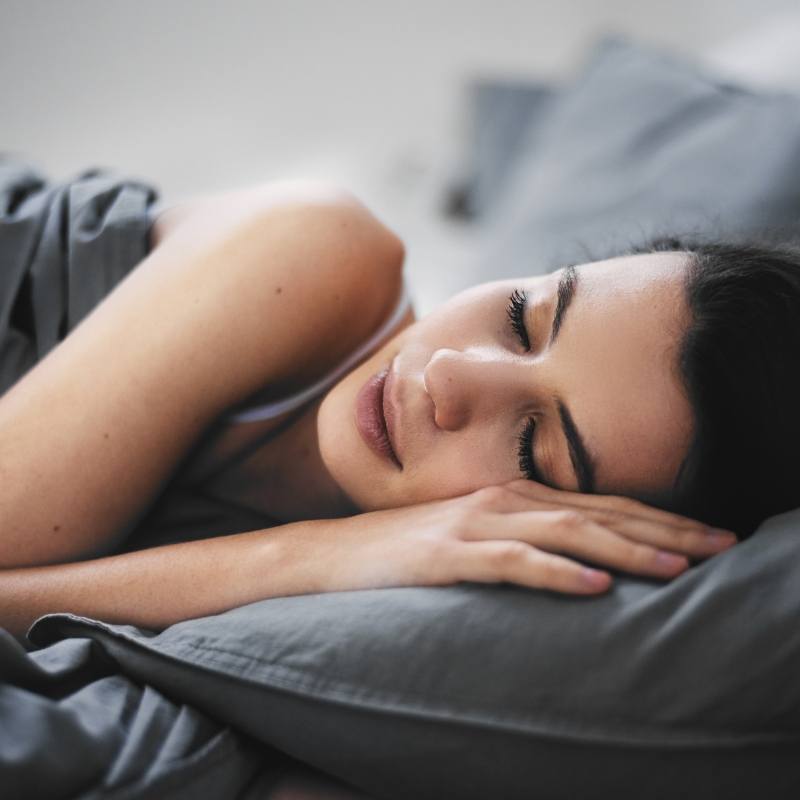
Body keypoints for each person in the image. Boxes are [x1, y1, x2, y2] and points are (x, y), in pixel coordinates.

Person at [1, 178, 799, 640]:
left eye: (533, 449)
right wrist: (305, 557)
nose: (450, 375)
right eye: (522, 315)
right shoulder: (317, 250)